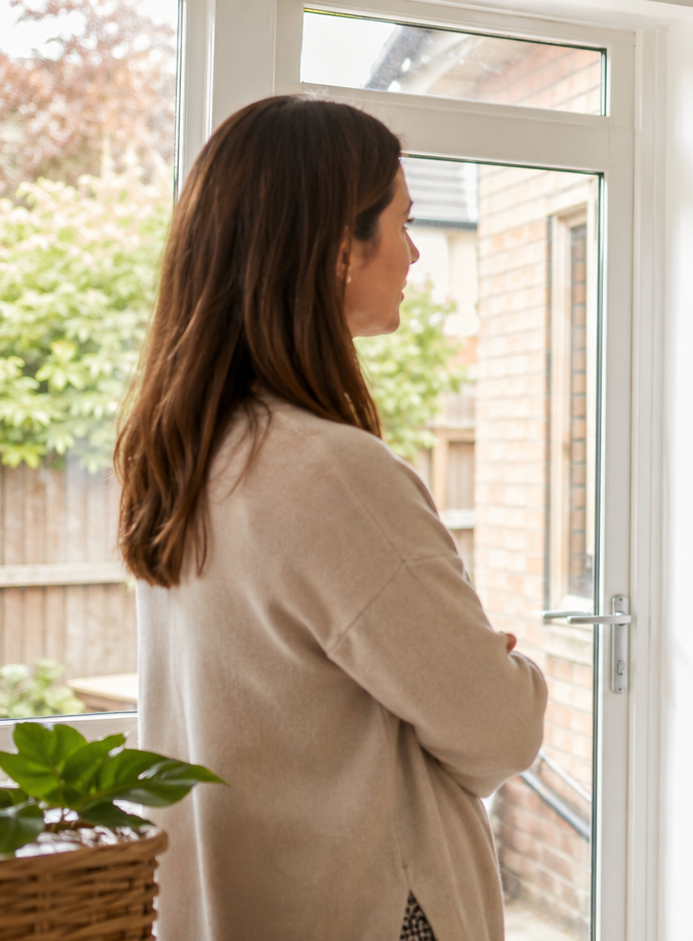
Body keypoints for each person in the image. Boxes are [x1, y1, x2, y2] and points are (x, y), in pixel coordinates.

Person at [114, 96, 547, 941]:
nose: (416, 253)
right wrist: (506, 672)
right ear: (335, 249)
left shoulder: (182, 455)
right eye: (402, 223)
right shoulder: (332, 472)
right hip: (369, 910)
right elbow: (499, 730)